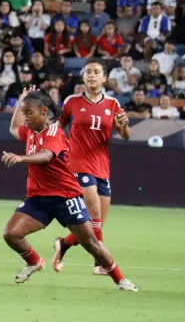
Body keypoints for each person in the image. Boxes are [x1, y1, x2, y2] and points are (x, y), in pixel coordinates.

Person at [2, 87, 137, 292]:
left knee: (92, 244)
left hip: (66, 198)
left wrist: (21, 158)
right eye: (24, 113)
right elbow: (14, 129)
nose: (25, 118)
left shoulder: (54, 132)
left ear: (43, 112)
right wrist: (21, 101)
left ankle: (120, 280)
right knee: (11, 234)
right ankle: (34, 262)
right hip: (38, 198)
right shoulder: (30, 129)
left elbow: (46, 156)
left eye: (29, 113)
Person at [52, 59, 132, 275]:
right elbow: (57, 128)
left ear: (104, 78)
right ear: (83, 76)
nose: (92, 76)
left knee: (95, 224)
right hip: (77, 164)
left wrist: (124, 125)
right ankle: (101, 264)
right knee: (94, 211)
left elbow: (125, 136)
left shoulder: (113, 104)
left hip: (102, 167)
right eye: (88, 72)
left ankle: (64, 244)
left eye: (96, 72)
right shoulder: (71, 101)